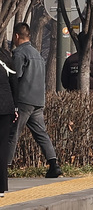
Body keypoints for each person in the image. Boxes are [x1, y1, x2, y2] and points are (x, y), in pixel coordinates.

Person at [4, 23, 60, 178]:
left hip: (23, 100)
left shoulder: (19, 53)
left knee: (12, 133)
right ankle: (53, 163)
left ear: (16, 36)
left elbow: (15, 77)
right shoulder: (37, 54)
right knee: (41, 133)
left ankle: (5, 167)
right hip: (38, 100)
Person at [0, 44, 18, 196]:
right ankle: (1, 186)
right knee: (2, 146)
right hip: (6, 107)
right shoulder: (6, 57)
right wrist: (16, 107)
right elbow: (14, 84)